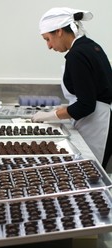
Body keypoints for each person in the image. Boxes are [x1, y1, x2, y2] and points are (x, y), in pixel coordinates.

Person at [32, 7, 112, 169]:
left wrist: (50, 116)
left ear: (59, 31)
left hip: (96, 126)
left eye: (47, 39)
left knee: (91, 180)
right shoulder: (90, 46)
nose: (48, 46)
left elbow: (85, 105)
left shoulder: (77, 54)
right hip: (101, 119)